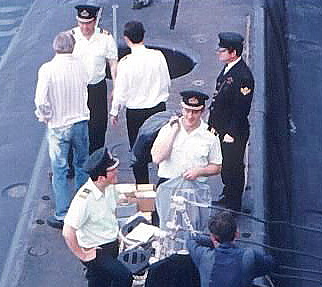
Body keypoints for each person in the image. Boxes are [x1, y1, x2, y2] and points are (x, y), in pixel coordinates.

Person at [63, 148, 132, 287]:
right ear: (101, 176)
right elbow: (68, 231)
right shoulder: (84, 200)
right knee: (124, 277)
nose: (116, 173)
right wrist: (83, 255)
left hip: (110, 244)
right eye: (113, 171)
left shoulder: (108, 188)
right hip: (96, 250)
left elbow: (113, 207)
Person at [34, 31, 90, 229]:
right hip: (80, 121)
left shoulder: (47, 69)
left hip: (58, 125)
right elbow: (87, 82)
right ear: (72, 47)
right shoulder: (81, 65)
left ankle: (63, 214)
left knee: (60, 170)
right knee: (83, 165)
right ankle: (84, 211)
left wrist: (45, 115)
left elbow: (41, 101)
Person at [110, 20, 170, 183]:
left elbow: (121, 91)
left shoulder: (126, 63)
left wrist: (114, 112)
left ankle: (143, 189)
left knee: (138, 154)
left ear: (126, 39)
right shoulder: (158, 57)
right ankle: (164, 185)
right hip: (158, 110)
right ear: (143, 36)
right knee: (162, 149)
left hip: (136, 114)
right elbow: (166, 82)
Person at [208, 32, 254, 212]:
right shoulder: (229, 68)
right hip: (221, 128)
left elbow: (241, 108)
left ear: (233, 52)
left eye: (222, 50)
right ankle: (227, 194)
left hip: (232, 132)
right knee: (226, 165)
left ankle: (234, 204)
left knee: (233, 166)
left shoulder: (243, 77)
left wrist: (231, 133)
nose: (219, 53)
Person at [71, 5, 118, 154]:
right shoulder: (70, 37)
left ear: (95, 20)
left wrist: (116, 87)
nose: (84, 26)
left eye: (88, 23)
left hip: (97, 87)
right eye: (81, 23)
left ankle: (96, 160)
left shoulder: (105, 38)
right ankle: (73, 164)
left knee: (98, 126)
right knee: (75, 125)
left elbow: (113, 63)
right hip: (77, 88)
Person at [151, 90, 222, 184]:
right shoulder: (168, 128)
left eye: (195, 112)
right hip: (168, 183)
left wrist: (199, 171)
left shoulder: (210, 135)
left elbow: (216, 166)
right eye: (187, 111)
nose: (190, 116)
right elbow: (157, 158)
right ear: (182, 109)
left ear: (202, 112)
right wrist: (173, 132)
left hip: (195, 186)